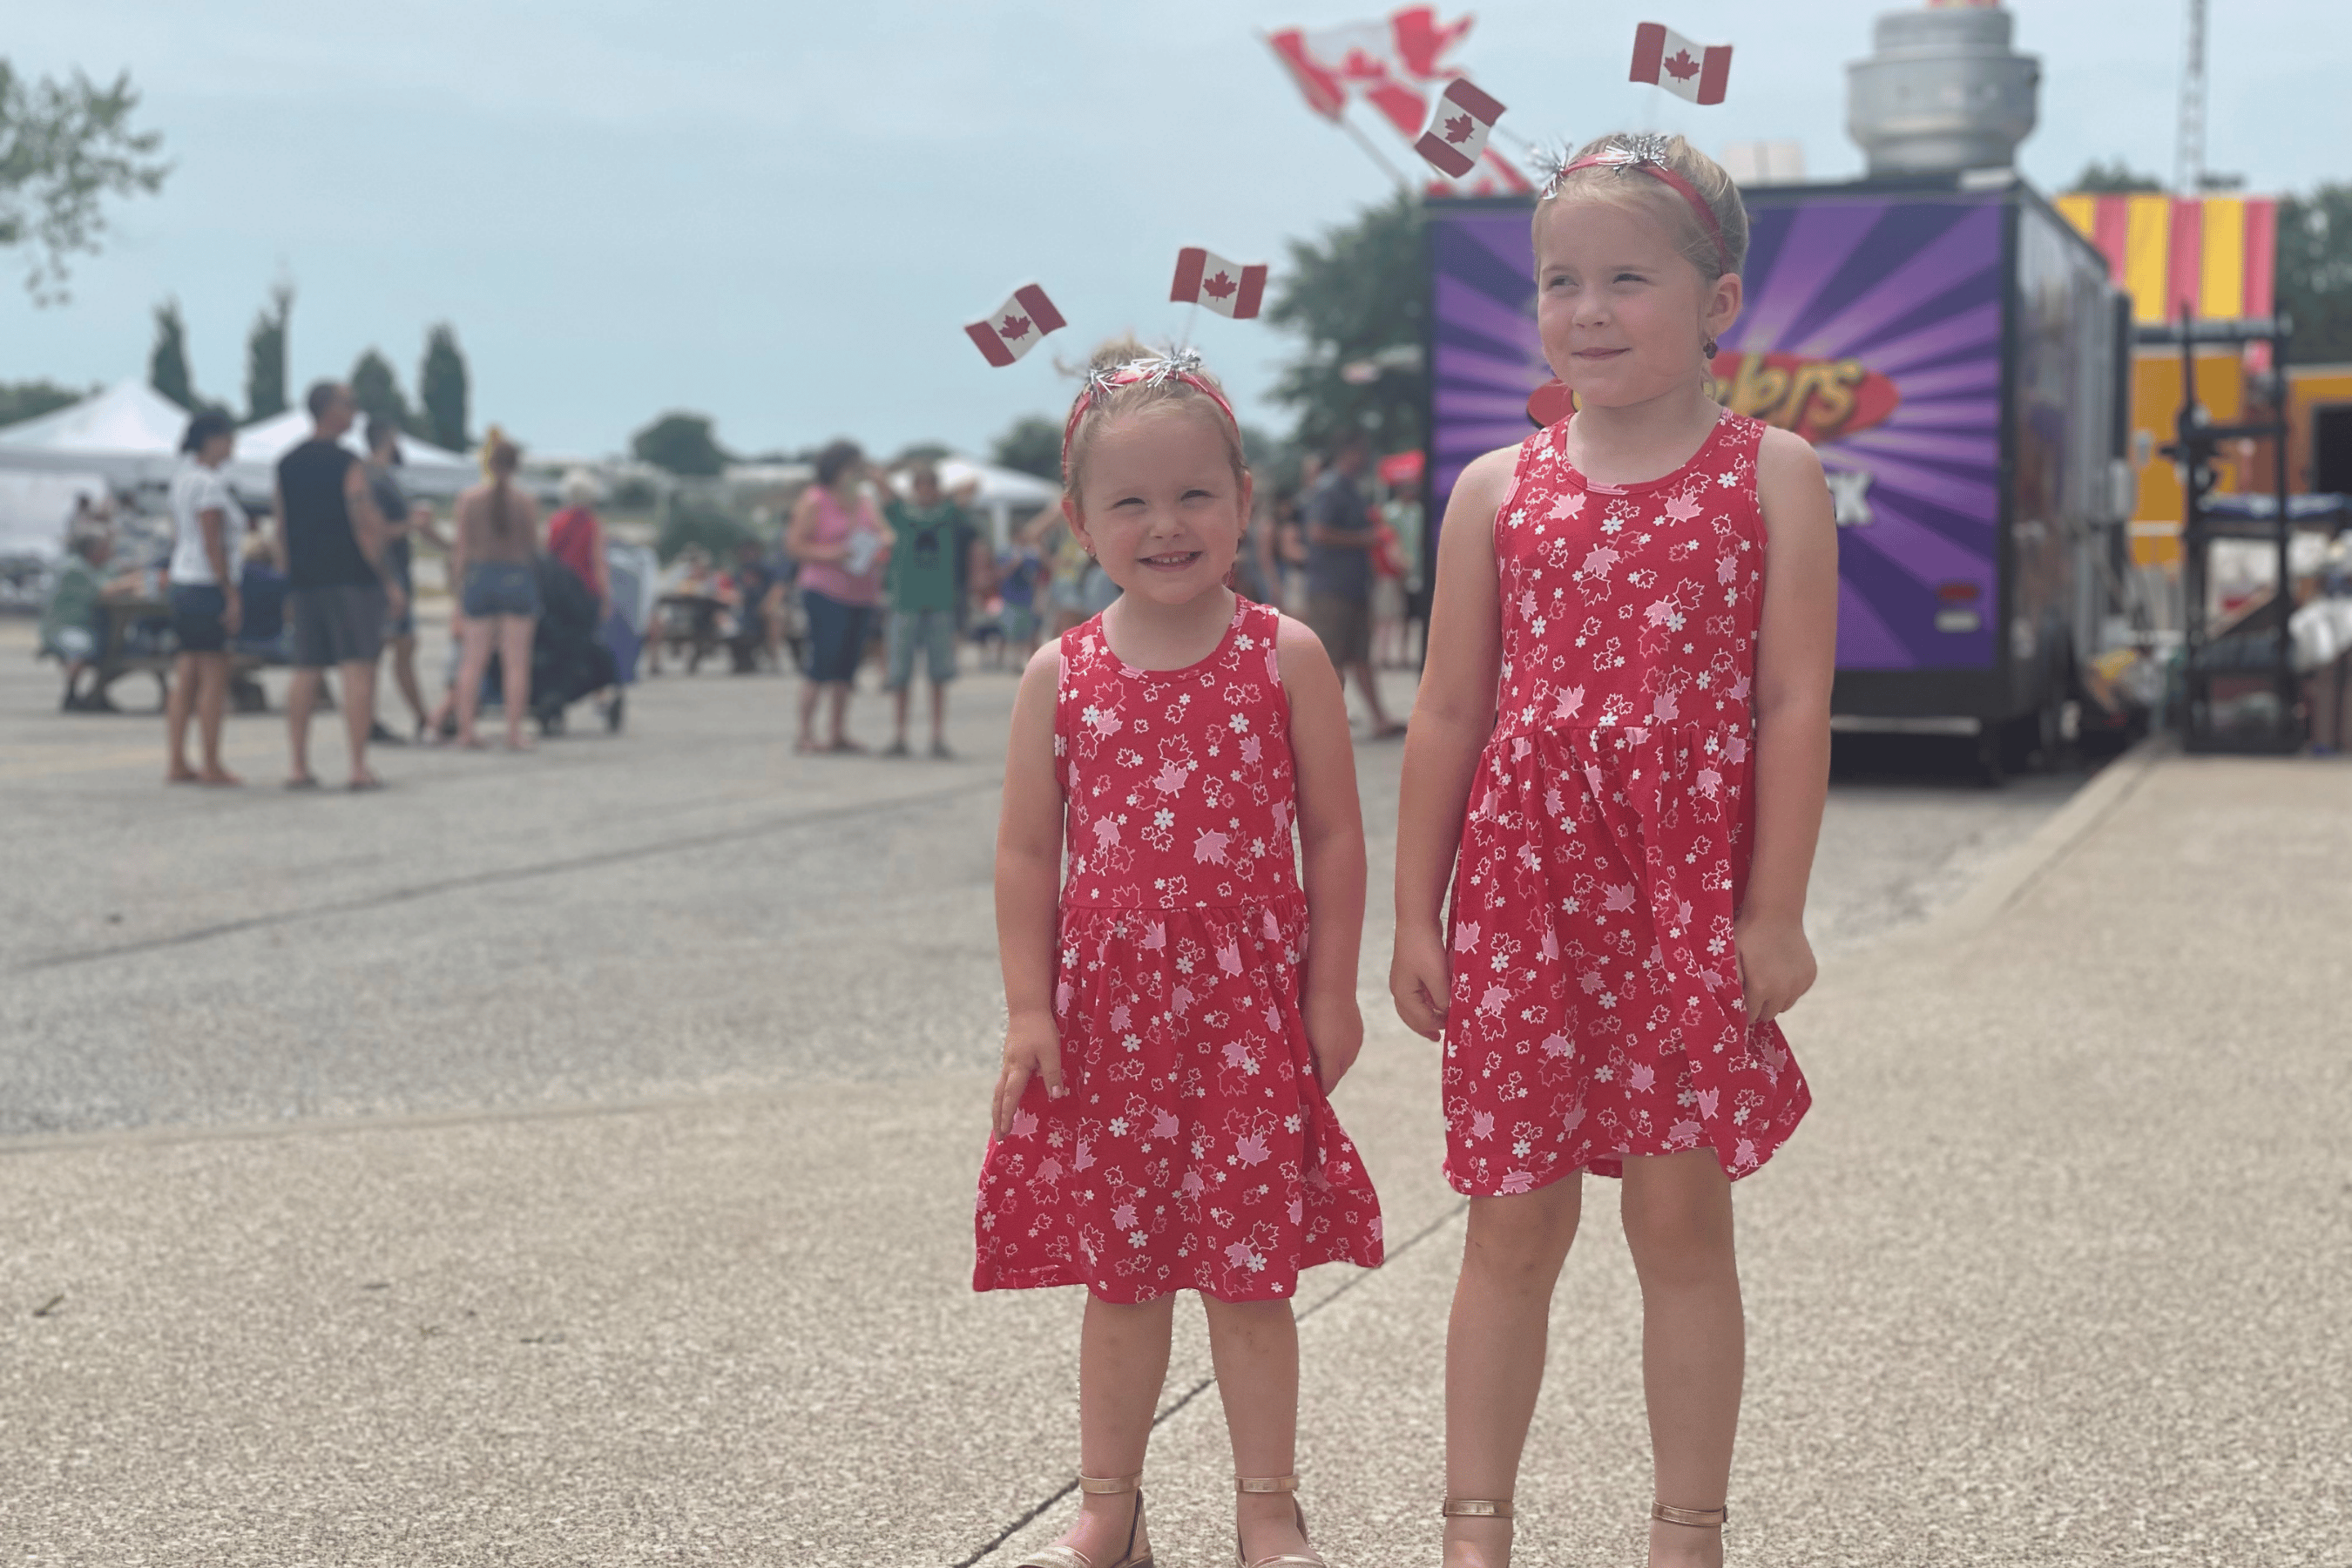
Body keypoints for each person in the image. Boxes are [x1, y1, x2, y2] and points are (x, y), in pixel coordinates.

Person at [1387, 133, 1836, 1568]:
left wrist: (1775, 910)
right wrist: (1415, 913)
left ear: (1718, 301)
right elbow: (1449, 709)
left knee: (1679, 1224)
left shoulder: (1774, 473)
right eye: (1559, 280)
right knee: (1508, 1229)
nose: (1586, 308)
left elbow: (1792, 701)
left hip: (1684, 898)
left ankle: (1686, 1534)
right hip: (1523, 903)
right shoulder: (1490, 492)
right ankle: (1476, 1532)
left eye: (1627, 277)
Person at [976, 339, 1382, 1568]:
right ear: (1079, 523)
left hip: (1247, 1020)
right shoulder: (1064, 674)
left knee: (1252, 1282)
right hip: (1109, 1026)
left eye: (1197, 493)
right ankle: (1112, 1505)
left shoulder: (1286, 655)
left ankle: (1269, 1509)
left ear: (1248, 501)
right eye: (1132, 502)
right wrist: (1027, 1010)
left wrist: (1331, 990)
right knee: (1124, 1281)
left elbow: (1333, 835)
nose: (1167, 524)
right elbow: (1025, 858)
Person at [275, 381, 403, 790]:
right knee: (358, 668)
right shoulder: (350, 464)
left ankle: (298, 764)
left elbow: (280, 525)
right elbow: (365, 524)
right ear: (329, 409)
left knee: (306, 669)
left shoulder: (286, 463)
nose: (354, 412)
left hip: (307, 579)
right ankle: (358, 766)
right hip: (351, 576)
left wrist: (288, 576)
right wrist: (386, 578)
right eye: (349, 404)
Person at [784, 440, 889, 754]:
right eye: (853, 467)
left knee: (848, 666)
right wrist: (834, 553)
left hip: (861, 593)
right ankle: (805, 733)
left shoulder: (864, 501)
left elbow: (887, 533)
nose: (857, 473)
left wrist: (879, 545)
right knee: (821, 661)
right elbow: (794, 546)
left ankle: (837, 732)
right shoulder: (814, 499)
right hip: (824, 590)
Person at [1301, 430, 1404, 738]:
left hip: (1351, 586)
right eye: (1361, 452)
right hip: (1331, 588)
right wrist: (1362, 540)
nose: (1366, 458)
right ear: (1348, 453)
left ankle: (1378, 718)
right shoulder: (1330, 487)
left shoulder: (1350, 488)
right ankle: (1321, 726)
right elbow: (1317, 532)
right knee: (1331, 660)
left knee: (1360, 656)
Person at [164, 410, 247, 785]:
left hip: (183, 577)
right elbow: (213, 540)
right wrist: (230, 591)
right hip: (206, 582)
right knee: (214, 675)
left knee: (187, 673)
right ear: (212, 440)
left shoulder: (183, 479)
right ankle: (211, 761)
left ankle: (178, 758)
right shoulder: (210, 485)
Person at [448, 427, 541, 750]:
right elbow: (533, 547)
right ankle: (514, 731)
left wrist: (457, 590)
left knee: (472, 661)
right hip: (516, 577)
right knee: (516, 661)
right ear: (516, 466)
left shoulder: (468, 500)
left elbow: (461, 549)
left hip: (479, 577)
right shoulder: (527, 502)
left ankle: (465, 730)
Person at [880, 461, 975, 758]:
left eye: (929, 486)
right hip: (907, 602)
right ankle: (900, 735)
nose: (925, 492)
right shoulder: (911, 513)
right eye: (921, 487)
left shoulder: (943, 513)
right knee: (900, 676)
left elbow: (972, 485)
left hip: (938, 602)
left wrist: (940, 496)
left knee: (938, 676)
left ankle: (936, 736)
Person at [365, 416, 443, 742]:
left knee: (396, 648)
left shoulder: (380, 477)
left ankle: (420, 717)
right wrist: (412, 524)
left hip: (393, 574)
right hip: (389, 575)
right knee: (394, 647)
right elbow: (378, 530)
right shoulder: (377, 479)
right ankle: (420, 718)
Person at [39, 524, 145, 711]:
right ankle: (71, 693)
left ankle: (97, 693)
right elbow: (103, 590)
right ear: (92, 550)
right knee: (81, 647)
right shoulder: (75, 568)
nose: (110, 551)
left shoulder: (100, 567)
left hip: (95, 627)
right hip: (67, 627)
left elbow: (115, 580)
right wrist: (133, 580)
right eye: (105, 547)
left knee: (125, 650)